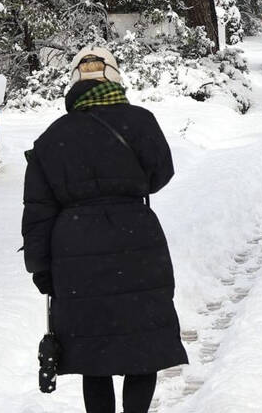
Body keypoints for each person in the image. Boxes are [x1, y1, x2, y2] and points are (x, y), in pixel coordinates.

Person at [21, 46, 188, 413]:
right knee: (142, 348)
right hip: (138, 242)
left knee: (92, 353)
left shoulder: (52, 138)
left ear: (74, 83)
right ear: (115, 77)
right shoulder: (140, 122)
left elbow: (38, 210)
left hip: (76, 252)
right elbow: (161, 175)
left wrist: (40, 267)